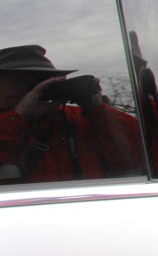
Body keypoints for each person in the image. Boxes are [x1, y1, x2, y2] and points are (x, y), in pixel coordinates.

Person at [0, 44, 143, 182]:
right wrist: (18, 117)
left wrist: (97, 111)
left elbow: (135, 160)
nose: (30, 90)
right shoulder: (6, 125)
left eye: (39, 81)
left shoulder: (76, 119)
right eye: (18, 80)